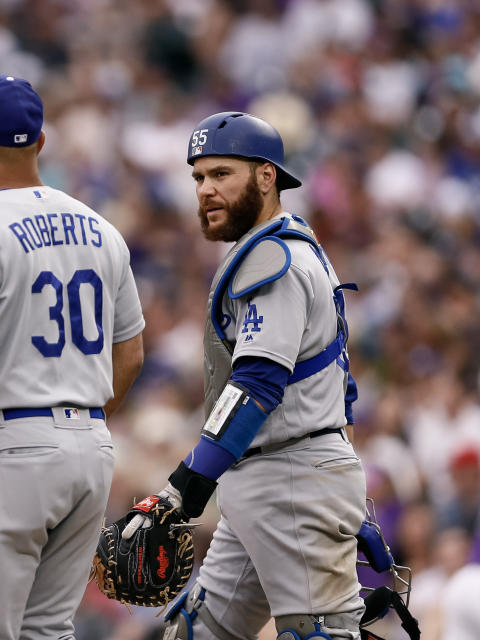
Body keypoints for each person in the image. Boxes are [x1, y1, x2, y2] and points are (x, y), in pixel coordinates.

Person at [0, 74, 145, 639]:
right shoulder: (102, 229)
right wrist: (77, 422)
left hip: (12, 446)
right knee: (49, 630)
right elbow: (130, 354)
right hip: (90, 448)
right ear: (38, 144)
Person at [141, 112, 366, 639]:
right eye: (198, 177)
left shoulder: (275, 259)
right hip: (272, 477)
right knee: (198, 632)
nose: (205, 190)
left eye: (222, 174)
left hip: (292, 477)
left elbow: (257, 384)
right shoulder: (283, 246)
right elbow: (342, 387)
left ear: (267, 176)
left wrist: (183, 488)